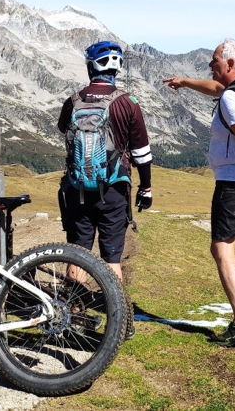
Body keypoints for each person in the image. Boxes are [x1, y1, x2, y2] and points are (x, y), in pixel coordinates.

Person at [163, 39, 235, 348]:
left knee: (222, 250)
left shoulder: (231, 100)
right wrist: (184, 82)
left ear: (231, 64)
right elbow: (214, 88)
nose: (210, 66)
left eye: (214, 62)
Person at [58, 41, 153, 337]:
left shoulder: (74, 100)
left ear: (91, 66)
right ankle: (120, 322)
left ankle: (72, 315)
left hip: (76, 190)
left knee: (77, 252)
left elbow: (64, 130)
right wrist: (146, 188)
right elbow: (142, 154)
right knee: (112, 258)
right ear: (116, 69)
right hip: (113, 190)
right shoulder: (128, 103)